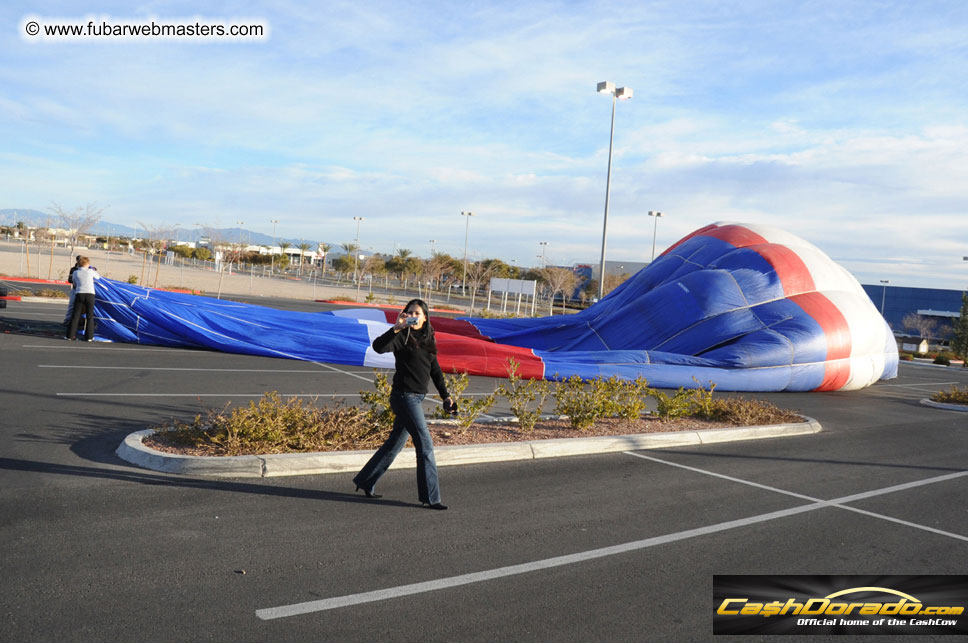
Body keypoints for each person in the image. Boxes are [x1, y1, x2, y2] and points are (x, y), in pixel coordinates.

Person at [353, 299, 454, 510]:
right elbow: (378, 347)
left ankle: (365, 480)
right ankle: (431, 497)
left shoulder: (428, 339)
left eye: (417, 313)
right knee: (425, 445)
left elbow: (434, 370)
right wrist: (396, 328)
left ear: (425, 317)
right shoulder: (403, 336)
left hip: (416, 398)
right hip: (404, 397)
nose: (413, 316)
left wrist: (446, 396)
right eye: (409, 313)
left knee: (395, 444)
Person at [66, 256, 100, 341]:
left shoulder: (76, 272)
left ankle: (70, 335)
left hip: (79, 293)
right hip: (90, 294)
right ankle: (89, 336)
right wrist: (92, 269)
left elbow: (74, 281)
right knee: (90, 316)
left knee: (76, 315)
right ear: (87, 264)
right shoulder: (90, 271)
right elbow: (98, 277)